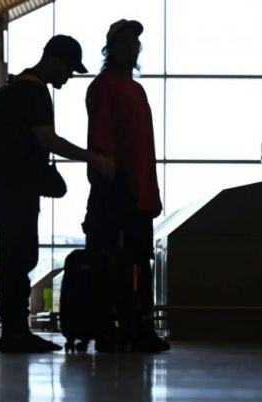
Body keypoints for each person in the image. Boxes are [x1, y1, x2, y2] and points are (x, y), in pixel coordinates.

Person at [0, 35, 116, 353]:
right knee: (20, 253)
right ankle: (15, 332)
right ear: (56, 61)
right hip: (17, 185)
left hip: (4, 182)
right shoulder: (34, 91)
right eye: (69, 70)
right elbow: (48, 139)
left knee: (15, 254)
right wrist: (93, 157)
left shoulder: (16, 86)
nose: (68, 78)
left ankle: (14, 330)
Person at [86, 20, 170, 353]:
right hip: (119, 188)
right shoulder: (106, 87)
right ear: (112, 47)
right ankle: (117, 325)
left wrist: (150, 192)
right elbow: (102, 140)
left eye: (136, 41)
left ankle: (136, 326)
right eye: (127, 41)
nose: (134, 46)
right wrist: (113, 182)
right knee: (118, 260)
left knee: (137, 260)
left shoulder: (134, 89)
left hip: (138, 189)